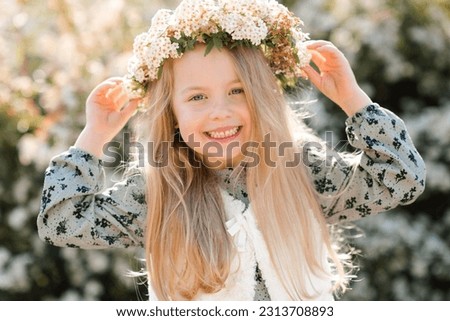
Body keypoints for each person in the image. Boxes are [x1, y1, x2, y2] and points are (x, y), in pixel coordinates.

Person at [37, 0, 426, 301]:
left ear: (263, 96)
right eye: (197, 97)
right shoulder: (159, 191)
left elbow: (400, 179)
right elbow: (62, 222)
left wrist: (354, 100)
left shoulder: (302, 169)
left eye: (237, 90)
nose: (219, 112)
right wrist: (94, 136)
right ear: (172, 112)